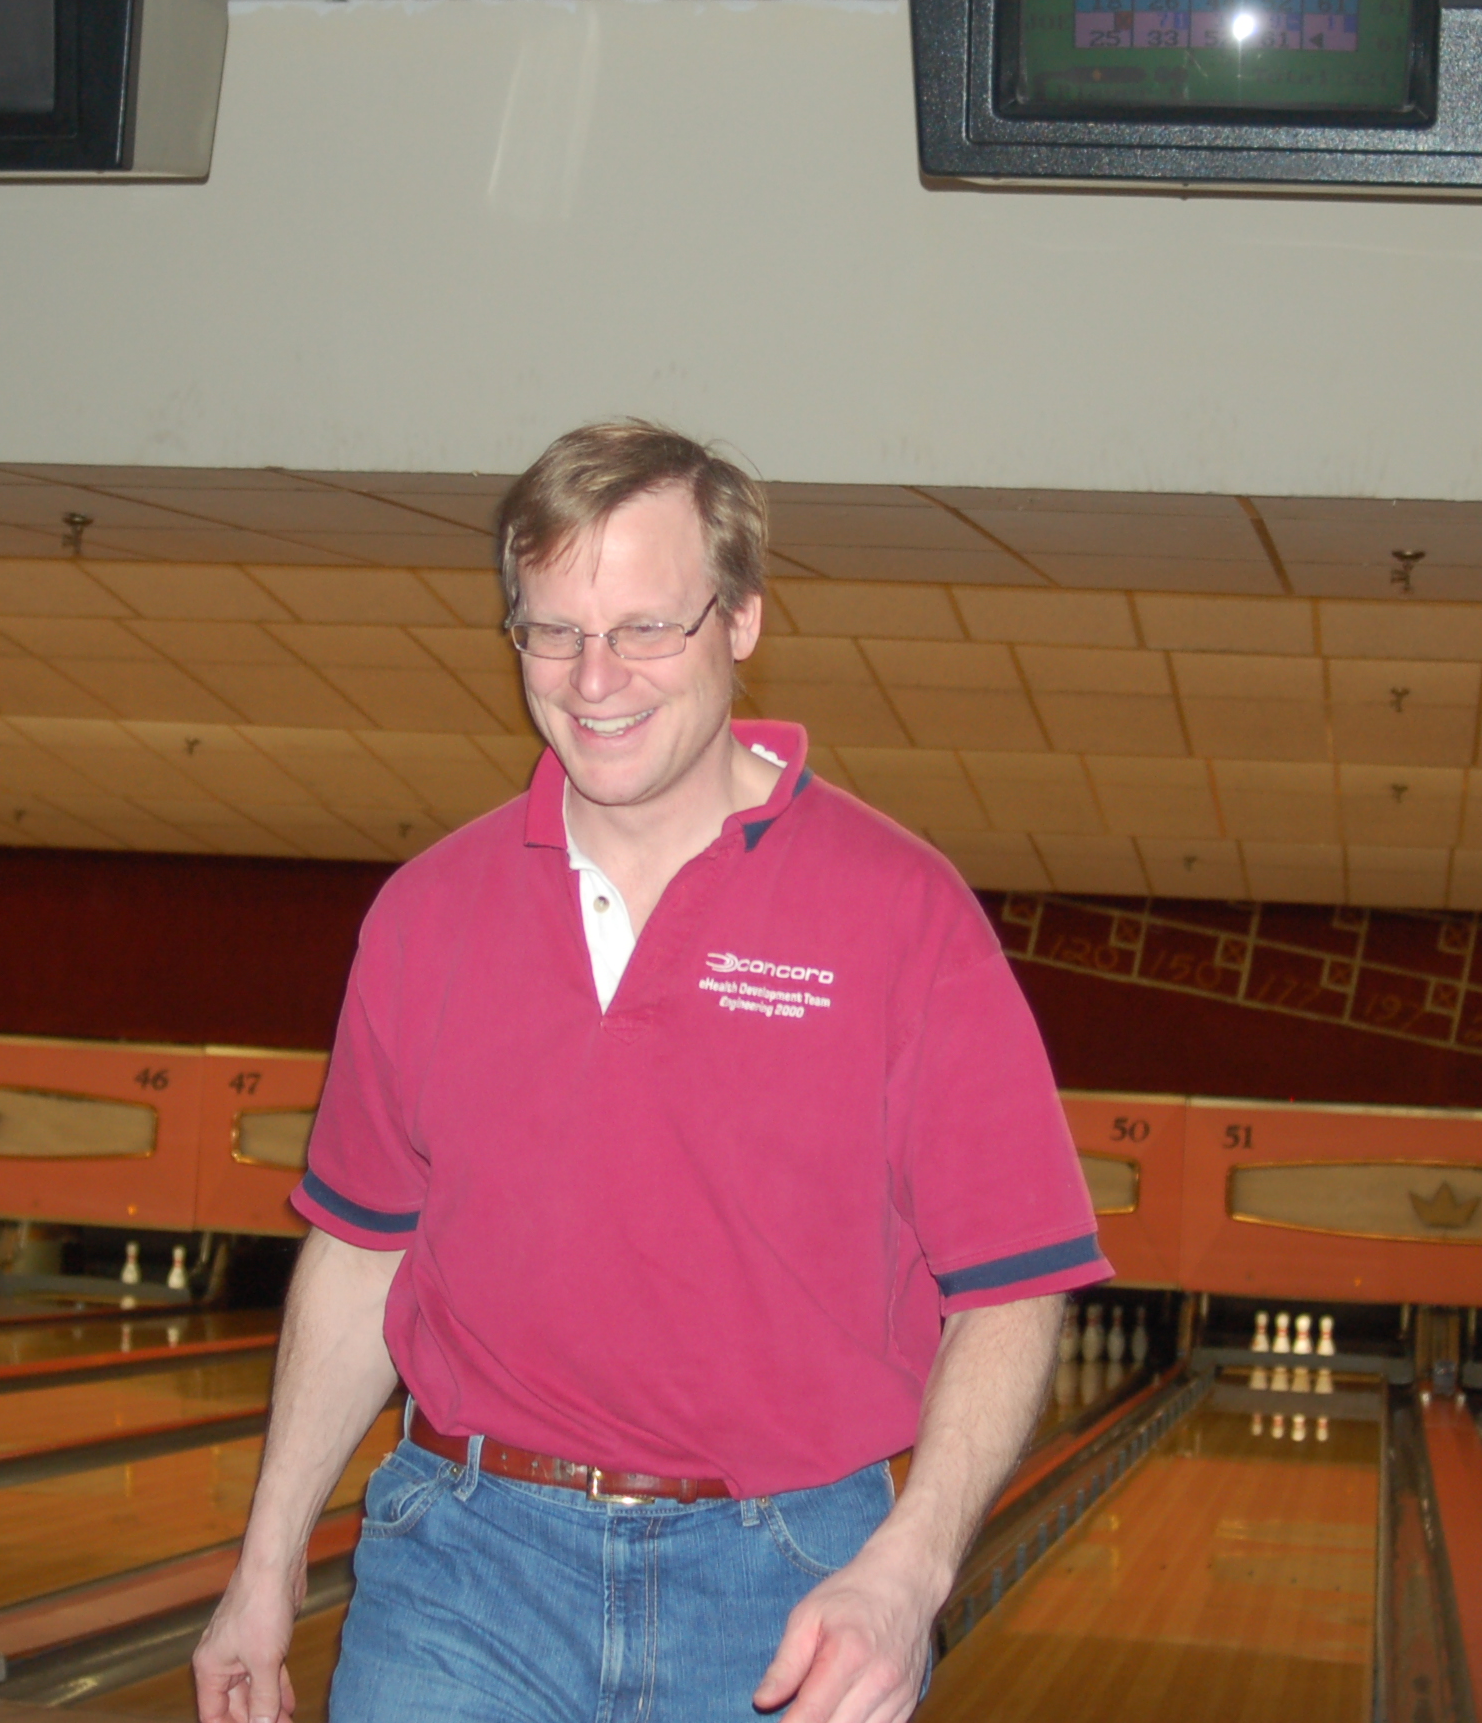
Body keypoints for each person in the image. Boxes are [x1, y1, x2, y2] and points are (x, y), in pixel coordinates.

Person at [191, 422, 1110, 1723]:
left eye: (643, 627)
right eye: (551, 630)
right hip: (466, 1564)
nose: (593, 677)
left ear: (740, 620)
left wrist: (911, 1567)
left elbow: (1013, 1283)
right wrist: (265, 1563)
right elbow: (360, 1252)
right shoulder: (426, 913)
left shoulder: (902, 911)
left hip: (785, 1576)